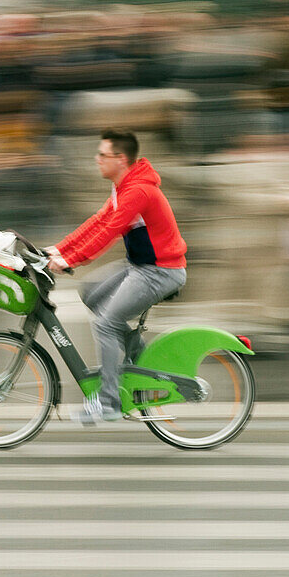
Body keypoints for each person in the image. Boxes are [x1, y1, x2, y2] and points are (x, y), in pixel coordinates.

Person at [45, 128, 187, 425]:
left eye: (102, 154)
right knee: (90, 293)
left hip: (160, 271)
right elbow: (97, 222)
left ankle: (107, 403)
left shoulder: (138, 192)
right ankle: (143, 365)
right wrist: (57, 249)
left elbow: (108, 233)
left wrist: (70, 260)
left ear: (120, 159)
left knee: (106, 323)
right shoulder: (124, 187)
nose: (96, 159)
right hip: (140, 266)